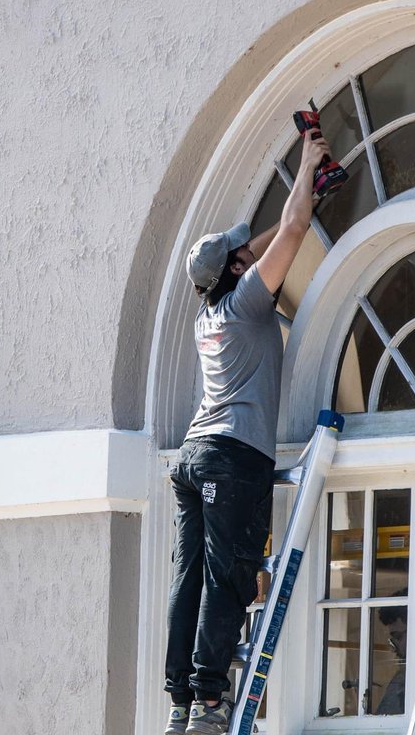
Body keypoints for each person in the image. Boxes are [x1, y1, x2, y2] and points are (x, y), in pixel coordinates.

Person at [164, 126, 332, 734]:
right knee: (227, 576)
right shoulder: (246, 305)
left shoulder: (210, 308)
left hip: (195, 456)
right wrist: (306, 167)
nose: (252, 255)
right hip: (232, 458)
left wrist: (312, 197)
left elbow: (262, 245)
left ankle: (182, 701)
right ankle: (211, 701)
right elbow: (288, 233)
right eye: (243, 256)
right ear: (239, 270)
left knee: (189, 579)